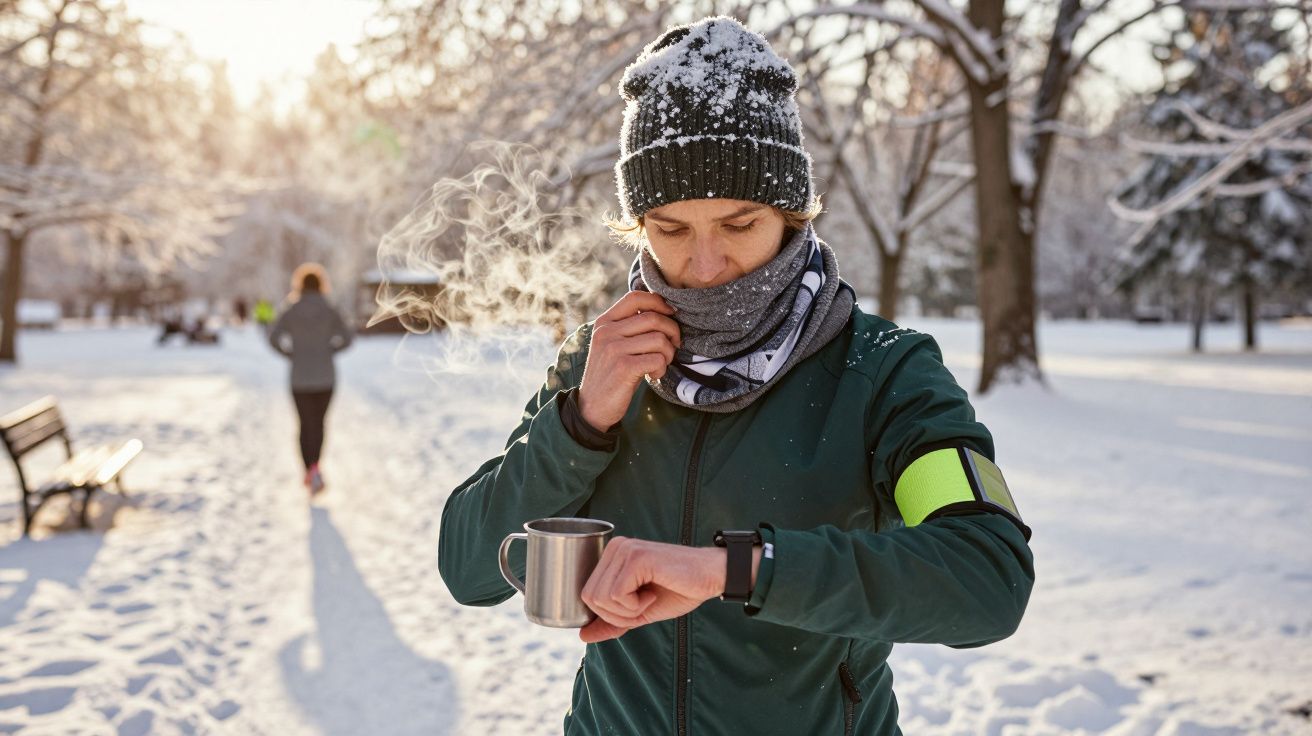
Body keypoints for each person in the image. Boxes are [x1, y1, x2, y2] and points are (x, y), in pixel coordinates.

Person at [438, 17, 1033, 736]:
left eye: (739, 222)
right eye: (671, 228)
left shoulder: (883, 372)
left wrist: (734, 570)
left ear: (790, 213)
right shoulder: (601, 358)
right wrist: (581, 421)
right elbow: (470, 567)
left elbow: (985, 575)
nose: (706, 265)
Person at [268, 263, 353, 495]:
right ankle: (316, 468)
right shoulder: (330, 309)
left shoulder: (291, 309)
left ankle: (309, 471)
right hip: (326, 377)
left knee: (305, 424)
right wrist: (330, 350)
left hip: (299, 378)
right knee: (320, 423)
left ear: (299, 284)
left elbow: (273, 337)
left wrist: (291, 354)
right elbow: (347, 337)